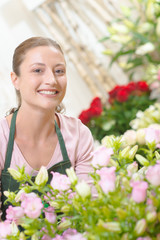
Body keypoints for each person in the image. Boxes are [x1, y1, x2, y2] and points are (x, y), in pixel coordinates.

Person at [0, 36, 94, 220]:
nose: (51, 79)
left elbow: (88, 205)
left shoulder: (78, 135)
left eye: (59, 71)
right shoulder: (2, 138)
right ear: (15, 79)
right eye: (37, 70)